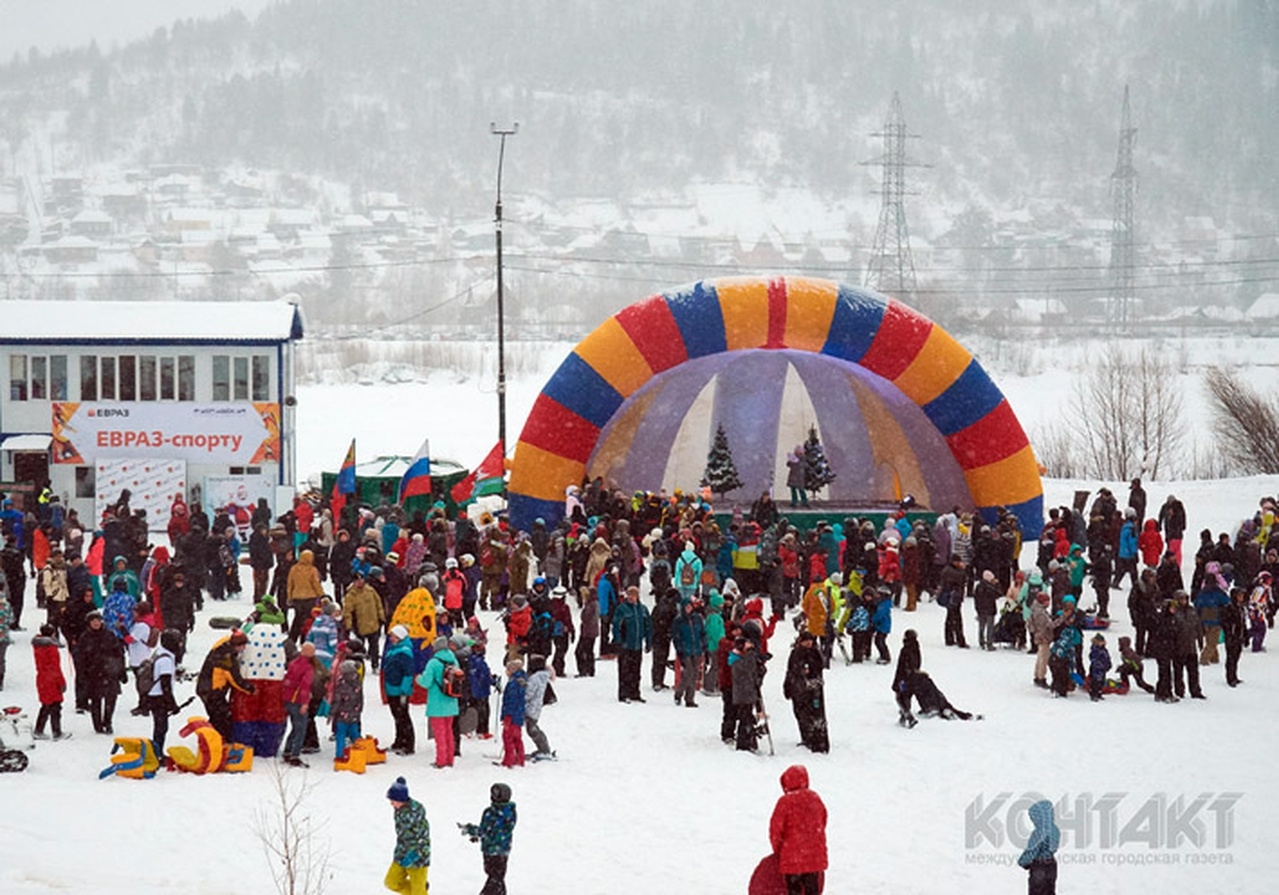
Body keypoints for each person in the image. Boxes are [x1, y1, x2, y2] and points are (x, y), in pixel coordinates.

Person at [768, 764, 827, 895]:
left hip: (791, 859)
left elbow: (775, 830)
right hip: (813, 859)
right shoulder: (815, 798)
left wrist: (778, 851)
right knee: (812, 890)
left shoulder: (785, 802)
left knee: (793, 891)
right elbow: (823, 822)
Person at [196, 629, 257, 740]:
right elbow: (235, 680)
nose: (244, 649)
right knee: (222, 719)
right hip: (212, 691)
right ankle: (218, 741)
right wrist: (251, 689)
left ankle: (211, 738)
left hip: (206, 687)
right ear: (236, 645)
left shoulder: (223, 646)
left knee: (217, 716)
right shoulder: (226, 658)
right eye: (242, 646)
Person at [461, 782, 518, 895]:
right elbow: (486, 829)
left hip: (496, 850)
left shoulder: (501, 813)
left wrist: (474, 831)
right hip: (493, 849)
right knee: (496, 876)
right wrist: (477, 834)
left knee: (495, 877)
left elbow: (490, 831)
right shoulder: (496, 812)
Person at [79, 609, 126, 734]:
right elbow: (81, 657)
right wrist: (83, 673)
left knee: (111, 698)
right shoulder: (85, 637)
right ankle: (97, 724)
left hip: (110, 672)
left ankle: (108, 721)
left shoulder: (109, 635)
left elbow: (119, 653)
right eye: (93, 621)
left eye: (98, 621)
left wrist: (121, 670)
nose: (96, 623)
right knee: (96, 700)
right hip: (93, 673)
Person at [418, 635, 460, 768]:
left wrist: (418, 678)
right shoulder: (453, 659)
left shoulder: (433, 662)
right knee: (449, 732)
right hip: (451, 701)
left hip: (437, 703)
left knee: (439, 734)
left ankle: (441, 761)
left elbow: (426, 682)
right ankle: (449, 760)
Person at [385, 776, 431, 895]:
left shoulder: (415, 814)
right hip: (401, 854)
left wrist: (414, 855)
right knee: (391, 882)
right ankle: (421, 889)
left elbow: (424, 838)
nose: (391, 803)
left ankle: (420, 890)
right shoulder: (399, 809)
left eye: (393, 801)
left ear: (401, 800)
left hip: (418, 859)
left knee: (418, 893)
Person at [784, 630, 828, 752]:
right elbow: (790, 670)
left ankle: (816, 739)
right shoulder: (795, 653)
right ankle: (806, 737)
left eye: (810, 640)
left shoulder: (815, 653)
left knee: (815, 714)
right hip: (798, 689)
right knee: (801, 713)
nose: (808, 643)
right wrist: (787, 686)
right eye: (806, 641)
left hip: (813, 689)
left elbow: (818, 668)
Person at [612, 585, 652, 704]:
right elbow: (616, 626)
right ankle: (624, 694)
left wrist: (648, 641)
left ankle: (635, 692)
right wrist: (618, 640)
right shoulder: (622, 609)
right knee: (625, 671)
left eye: (633, 595)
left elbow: (648, 626)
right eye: (629, 595)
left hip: (637, 645)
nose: (631, 597)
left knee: (636, 670)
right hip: (625, 645)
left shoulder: (643, 609)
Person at [281, 642, 318, 767]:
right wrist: (305, 703)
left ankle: (287, 751)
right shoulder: (308, 668)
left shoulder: (293, 663)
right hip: (297, 701)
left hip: (287, 699)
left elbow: (287, 681)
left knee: (295, 727)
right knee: (300, 729)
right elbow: (305, 687)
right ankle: (295, 755)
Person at [382, 625, 417, 755]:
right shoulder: (394, 649)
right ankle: (399, 740)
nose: (391, 638)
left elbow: (408, 673)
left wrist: (404, 690)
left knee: (403, 717)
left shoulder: (405, 651)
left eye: (393, 636)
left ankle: (408, 744)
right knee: (397, 716)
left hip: (399, 689)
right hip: (392, 688)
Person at [32, 623, 69, 740]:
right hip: (52, 681)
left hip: (42, 679)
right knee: (55, 706)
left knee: (46, 705)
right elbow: (55, 667)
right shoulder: (51, 649)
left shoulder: (38, 647)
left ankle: (39, 729)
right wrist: (62, 682)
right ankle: (56, 731)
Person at [1017, 799, 1060, 894]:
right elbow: (1054, 847)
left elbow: (1032, 850)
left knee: (1036, 890)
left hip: (1039, 866)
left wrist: (1022, 862)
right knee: (1050, 890)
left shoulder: (1039, 832)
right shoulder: (1055, 829)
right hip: (1052, 865)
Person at [671, 594, 705, 707]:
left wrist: (703, 645)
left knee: (694, 674)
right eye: (687, 607)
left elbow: (702, 633)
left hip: (697, 649)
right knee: (688, 673)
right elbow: (676, 637)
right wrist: (679, 649)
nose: (689, 609)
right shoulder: (679, 620)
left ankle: (690, 698)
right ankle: (679, 693)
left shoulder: (698, 618)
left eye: (690, 606)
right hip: (685, 650)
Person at [331, 658, 364, 761]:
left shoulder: (342, 683)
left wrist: (332, 713)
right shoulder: (358, 681)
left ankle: (340, 755)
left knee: (340, 735)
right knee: (355, 734)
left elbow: (337, 700)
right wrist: (359, 710)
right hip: (354, 712)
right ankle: (361, 751)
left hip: (342, 714)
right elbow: (361, 698)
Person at [500, 658, 527, 768]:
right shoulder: (521, 681)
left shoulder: (513, 684)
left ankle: (509, 760)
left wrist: (507, 715)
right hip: (519, 715)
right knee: (517, 738)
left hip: (511, 715)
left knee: (508, 738)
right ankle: (520, 759)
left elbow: (511, 701)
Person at [1087, 634, 1111, 701]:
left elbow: (1107, 657)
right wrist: (1099, 665)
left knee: (1101, 682)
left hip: (1103, 669)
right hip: (1096, 669)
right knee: (1095, 682)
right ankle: (1093, 694)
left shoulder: (1104, 650)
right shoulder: (1095, 650)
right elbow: (1093, 659)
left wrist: (1108, 664)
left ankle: (1099, 693)